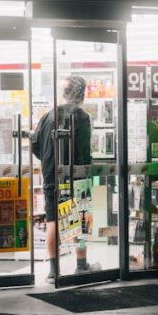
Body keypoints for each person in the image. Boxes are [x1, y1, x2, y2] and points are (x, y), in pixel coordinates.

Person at [32, 75, 94, 282]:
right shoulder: (81, 117)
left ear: (64, 94)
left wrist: (49, 163)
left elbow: (35, 145)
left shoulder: (48, 116)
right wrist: (87, 169)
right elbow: (84, 149)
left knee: (53, 220)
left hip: (51, 175)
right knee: (80, 219)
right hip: (75, 175)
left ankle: (53, 270)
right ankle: (82, 264)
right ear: (82, 94)